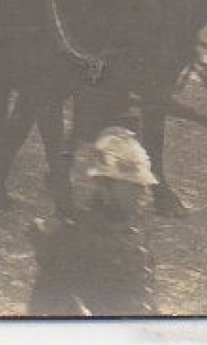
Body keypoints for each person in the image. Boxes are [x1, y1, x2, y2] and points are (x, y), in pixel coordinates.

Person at [27, 127, 158, 316]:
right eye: (132, 186)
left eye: (142, 186)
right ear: (103, 185)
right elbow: (44, 310)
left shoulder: (136, 229)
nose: (142, 194)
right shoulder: (73, 240)